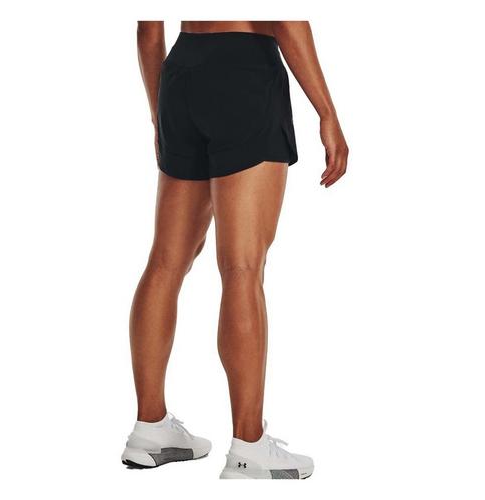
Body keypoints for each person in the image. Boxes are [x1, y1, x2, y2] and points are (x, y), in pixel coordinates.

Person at [121, 20, 348, 479]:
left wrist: (160, 111)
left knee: (165, 262)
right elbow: (283, 19)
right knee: (242, 267)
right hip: (245, 70)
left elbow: (148, 30)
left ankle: (150, 428)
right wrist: (327, 112)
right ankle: (249, 447)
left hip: (180, 73)